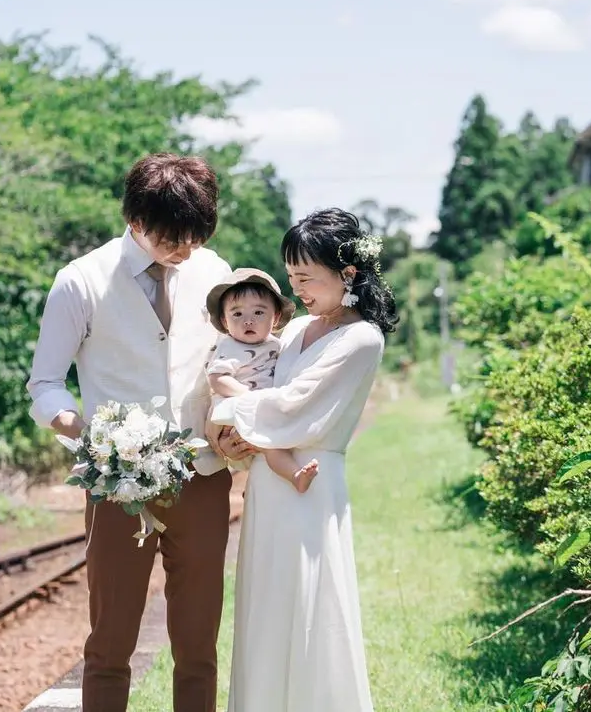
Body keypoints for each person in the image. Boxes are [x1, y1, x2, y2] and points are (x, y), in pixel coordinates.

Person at [26, 152, 244, 712]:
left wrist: (234, 423)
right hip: (117, 487)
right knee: (110, 643)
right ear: (136, 222)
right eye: (173, 239)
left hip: (203, 477)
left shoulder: (215, 272)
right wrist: (93, 439)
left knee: (197, 644)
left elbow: (234, 359)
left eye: (195, 238)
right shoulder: (80, 281)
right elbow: (45, 385)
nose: (184, 252)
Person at [209, 207, 397, 711]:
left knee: (314, 606)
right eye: (292, 278)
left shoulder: (361, 338)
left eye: (306, 278)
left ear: (348, 274)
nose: (298, 291)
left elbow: (293, 407)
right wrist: (231, 430)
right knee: (268, 607)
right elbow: (260, 393)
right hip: (271, 485)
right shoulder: (294, 331)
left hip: (311, 483)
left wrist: (227, 400)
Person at [202, 268, 319, 493]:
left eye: (258, 313)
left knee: (270, 444)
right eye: (237, 314)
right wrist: (249, 397)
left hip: (261, 407)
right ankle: (292, 475)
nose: (248, 321)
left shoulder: (277, 345)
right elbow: (218, 379)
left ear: (275, 318)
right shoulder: (229, 346)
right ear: (225, 322)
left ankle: (259, 483)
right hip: (234, 405)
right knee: (270, 443)